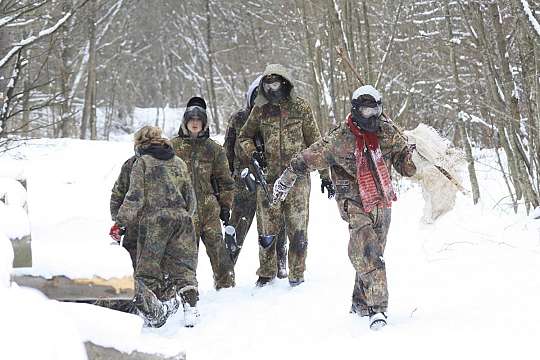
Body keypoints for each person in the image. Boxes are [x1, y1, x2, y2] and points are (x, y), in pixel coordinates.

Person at [272, 85, 416, 330]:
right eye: (365, 110)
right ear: (356, 110)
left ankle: (359, 304)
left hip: (382, 202)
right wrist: (285, 179)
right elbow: (307, 158)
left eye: (375, 109)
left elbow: (405, 167)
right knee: (369, 251)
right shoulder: (340, 138)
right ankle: (377, 309)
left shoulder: (387, 131)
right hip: (353, 201)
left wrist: (411, 155)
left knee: (371, 253)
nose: (371, 115)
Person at [238, 64, 334, 287]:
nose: (272, 89)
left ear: (284, 82)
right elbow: (244, 137)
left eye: (276, 83)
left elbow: (316, 145)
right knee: (266, 232)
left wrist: (325, 176)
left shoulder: (300, 108)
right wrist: (254, 154)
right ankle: (266, 274)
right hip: (268, 179)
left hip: (297, 181)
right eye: (268, 84)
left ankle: (297, 275)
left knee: (298, 231)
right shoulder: (260, 110)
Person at [116, 126, 199, 328]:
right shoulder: (178, 162)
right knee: (183, 268)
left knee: (147, 269)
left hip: (154, 221)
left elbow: (134, 197)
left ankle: (152, 312)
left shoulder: (142, 163)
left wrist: (121, 223)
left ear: (140, 143)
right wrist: (184, 216)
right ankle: (191, 308)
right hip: (182, 220)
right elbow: (191, 198)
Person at [223, 75, 288, 277]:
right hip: (243, 181)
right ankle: (225, 272)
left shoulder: (277, 118)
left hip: (270, 180)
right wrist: (224, 180)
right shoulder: (238, 119)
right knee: (236, 228)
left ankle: (278, 265)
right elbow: (227, 151)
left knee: (274, 226)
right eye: (256, 97)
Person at [171, 97, 236, 290]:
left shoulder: (214, 149)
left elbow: (226, 181)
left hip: (209, 210)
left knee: (219, 254)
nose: (195, 123)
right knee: (184, 256)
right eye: (191, 119)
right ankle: (185, 291)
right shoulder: (171, 148)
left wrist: (225, 206)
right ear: (185, 121)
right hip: (184, 211)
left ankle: (226, 290)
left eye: (199, 120)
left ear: (204, 123)